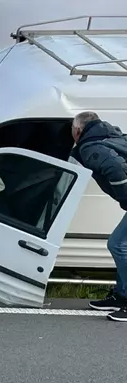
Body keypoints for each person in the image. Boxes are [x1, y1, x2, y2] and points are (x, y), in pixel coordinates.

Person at [70, 112, 127, 320]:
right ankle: (121, 296)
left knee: (118, 245)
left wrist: (124, 198)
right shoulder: (113, 137)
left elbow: (116, 169)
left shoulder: (90, 147)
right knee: (122, 245)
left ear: (78, 130)